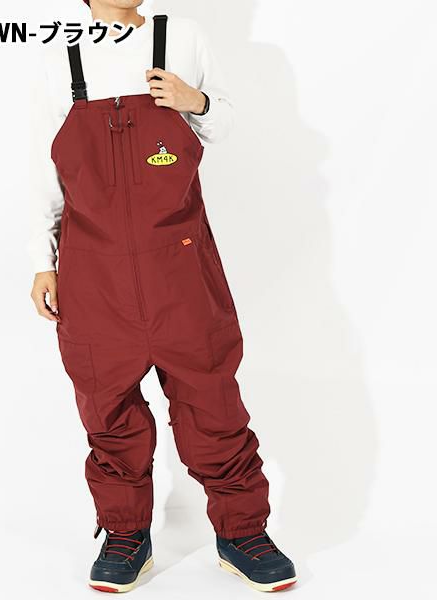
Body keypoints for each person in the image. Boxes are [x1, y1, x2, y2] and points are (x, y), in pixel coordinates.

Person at [29, 0, 296, 593]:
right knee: (107, 408)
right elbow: (43, 170)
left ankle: (243, 532)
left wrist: (194, 101)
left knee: (212, 401)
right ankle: (126, 533)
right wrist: (41, 262)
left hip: (180, 266)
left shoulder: (183, 37)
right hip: (91, 271)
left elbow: (223, 122)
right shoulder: (62, 55)